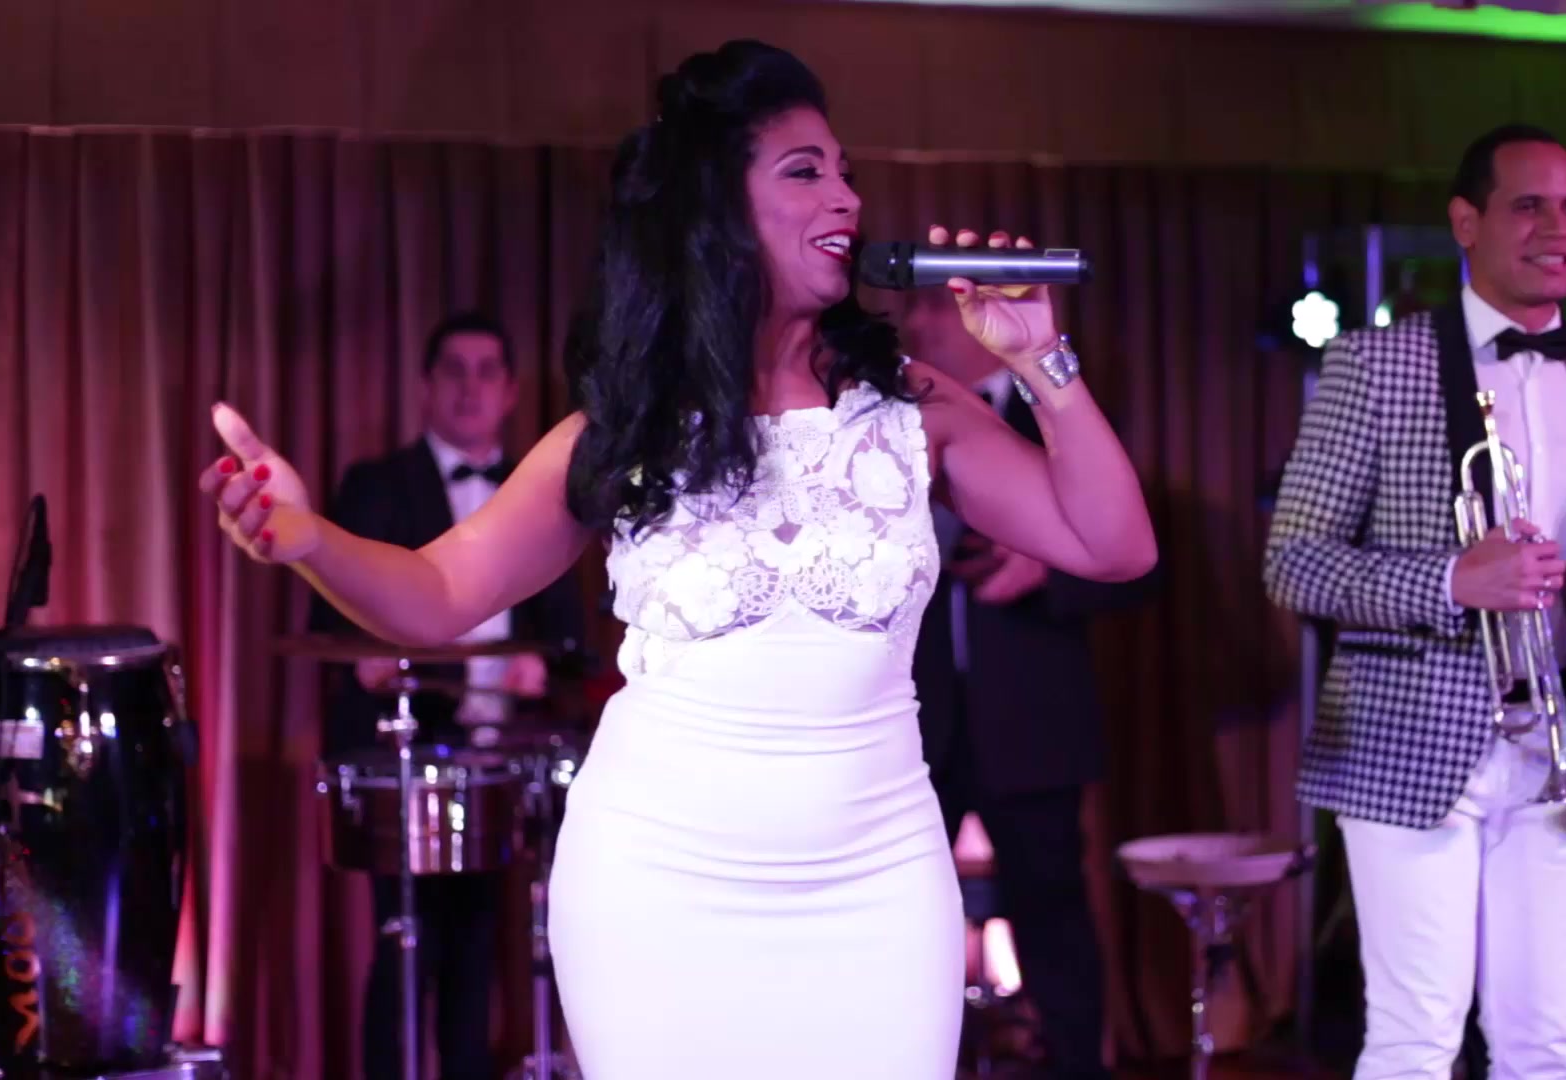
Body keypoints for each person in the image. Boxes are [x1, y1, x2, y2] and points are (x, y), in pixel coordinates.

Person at [200, 39, 1156, 1080]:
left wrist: (1042, 361)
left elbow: (1115, 546)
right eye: (805, 171)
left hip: (880, 884)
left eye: (846, 172)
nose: (846, 196)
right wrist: (308, 537)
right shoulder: (628, 430)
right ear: (717, 210)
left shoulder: (911, 405)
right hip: (661, 884)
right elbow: (437, 594)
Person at [1262, 123, 1566, 1078]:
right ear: (1466, 221)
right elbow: (1293, 563)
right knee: (1415, 1041)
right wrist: (1451, 580)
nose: (1558, 227)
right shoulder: (1375, 365)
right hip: (1409, 747)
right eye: (1528, 205)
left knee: (1545, 1048)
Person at [305, 311, 586, 1080]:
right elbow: (331, 623)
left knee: (477, 953)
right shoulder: (377, 486)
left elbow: (570, 639)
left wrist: (542, 672)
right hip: (404, 759)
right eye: (454, 370)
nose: (470, 388)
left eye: (486, 371)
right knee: (405, 945)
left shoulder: (543, 491)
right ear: (427, 386)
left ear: (511, 391)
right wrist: (369, 658)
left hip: (502, 764)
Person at [901, 288, 1157, 1080]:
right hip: (914, 730)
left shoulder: (1056, 419)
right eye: (912, 310)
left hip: (1032, 727)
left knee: (1053, 917)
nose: (918, 323)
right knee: (904, 921)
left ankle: (1080, 1067)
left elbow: (1135, 563)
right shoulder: (891, 424)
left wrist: (1047, 569)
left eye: (934, 308)